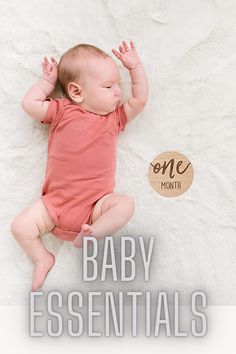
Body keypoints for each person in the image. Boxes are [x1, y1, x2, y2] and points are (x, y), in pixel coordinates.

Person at [11, 40, 148, 291]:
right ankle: (43, 258)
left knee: (126, 205)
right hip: (54, 206)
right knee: (19, 227)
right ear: (76, 92)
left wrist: (135, 68)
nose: (118, 91)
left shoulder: (113, 119)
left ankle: (93, 234)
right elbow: (29, 104)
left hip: (95, 206)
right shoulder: (61, 111)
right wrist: (47, 84)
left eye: (117, 84)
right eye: (109, 86)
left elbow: (139, 100)